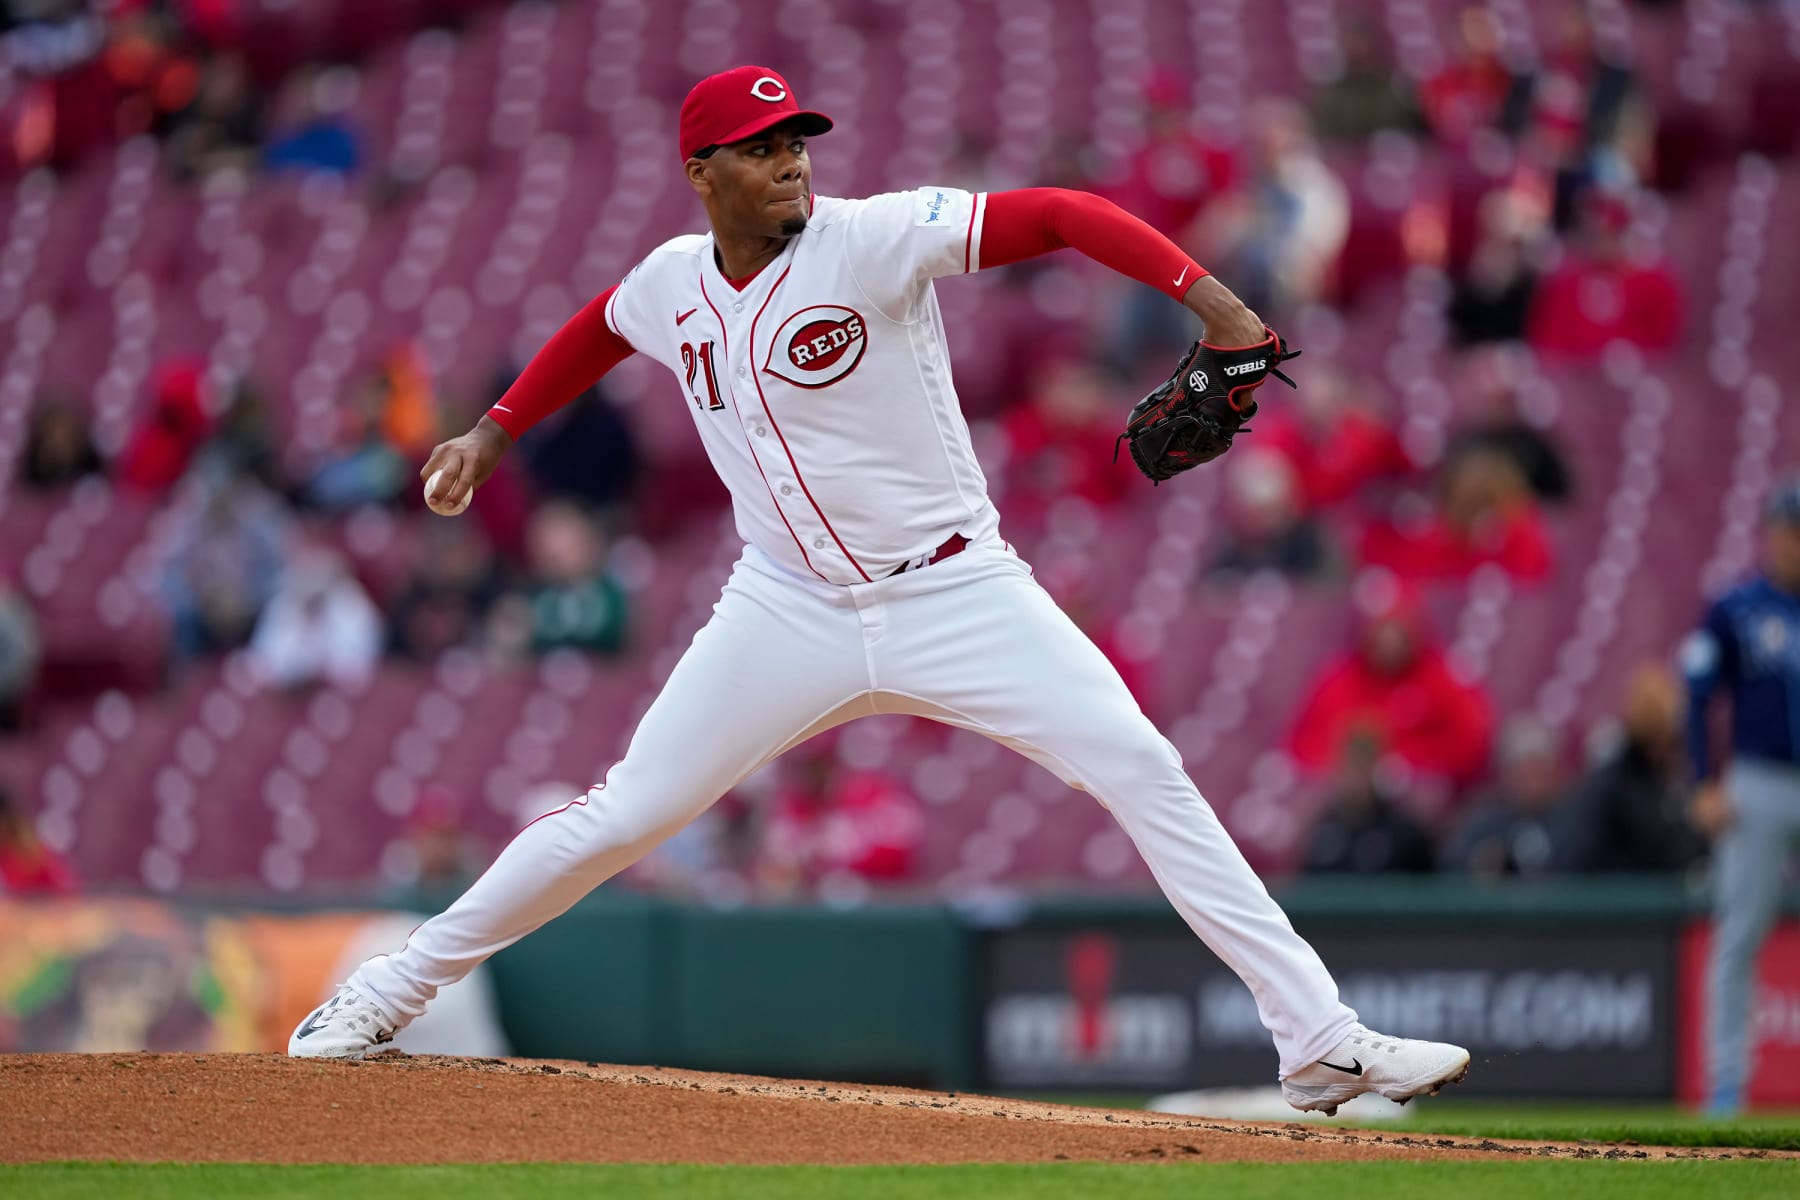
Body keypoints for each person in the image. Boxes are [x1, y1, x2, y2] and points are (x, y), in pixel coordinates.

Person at [289, 65, 1470, 1115]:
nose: (791, 158)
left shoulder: (874, 236)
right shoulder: (669, 282)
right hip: (784, 606)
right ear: (703, 174)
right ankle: (385, 994)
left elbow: (1058, 213)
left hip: (957, 591)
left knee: (1142, 765)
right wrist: (495, 432)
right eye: (760, 147)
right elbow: (599, 327)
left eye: (797, 138)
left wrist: (1208, 300)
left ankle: (1319, 1042)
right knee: (624, 815)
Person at [1683, 479, 1800, 1116]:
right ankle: (1728, 1085)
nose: (1791, 544)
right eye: (1785, 530)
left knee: (1740, 934)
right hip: (1758, 778)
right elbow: (1699, 695)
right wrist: (1705, 780)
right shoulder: (1739, 607)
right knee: (1740, 931)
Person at [1555, 663, 1703, 873]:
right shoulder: (1615, 785)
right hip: (1610, 899)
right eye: (1671, 741)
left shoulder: (1659, 782)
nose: (1675, 751)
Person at [1439, 717, 1568, 879]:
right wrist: (1480, 865)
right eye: (1523, 775)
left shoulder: (1572, 820)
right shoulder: (1486, 822)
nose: (1532, 785)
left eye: (1538, 773)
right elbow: (1452, 867)